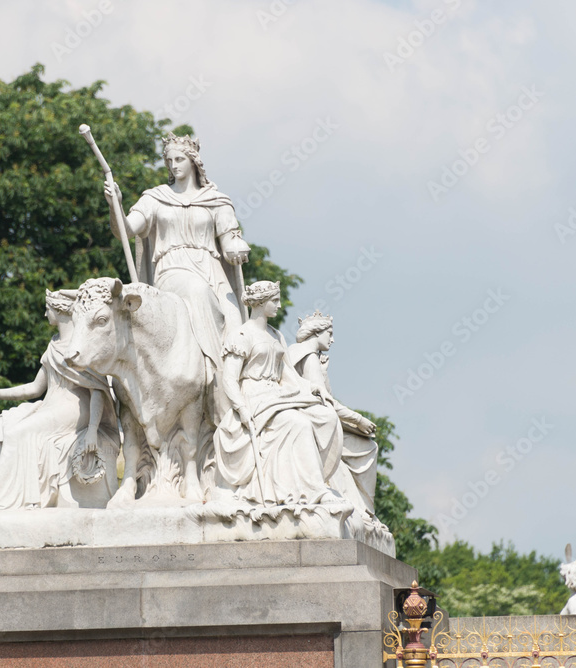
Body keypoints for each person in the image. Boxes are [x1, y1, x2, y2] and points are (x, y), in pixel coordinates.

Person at [103, 132, 250, 368]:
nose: (173, 165)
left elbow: (229, 240)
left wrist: (236, 248)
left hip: (212, 272)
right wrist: (115, 205)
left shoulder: (216, 200)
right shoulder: (155, 198)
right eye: (169, 161)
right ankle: (214, 370)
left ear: (193, 161)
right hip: (172, 269)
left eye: (179, 159)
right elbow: (125, 230)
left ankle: (238, 380)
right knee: (197, 290)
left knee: (236, 324)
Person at [0, 289, 120, 512]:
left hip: (75, 408)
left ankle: (1, 500)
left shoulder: (80, 346)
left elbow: (98, 391)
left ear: (60, 310)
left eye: (48, 309)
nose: (45, 314)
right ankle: (3, 494)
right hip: (51, 405)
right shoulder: (53, 345)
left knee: (19, 433)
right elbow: (35, 388)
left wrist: (92, 430)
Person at [212, 281, 342, 506]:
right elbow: (229, 379)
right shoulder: (241, 335)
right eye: (275, 300)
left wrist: (313, 388)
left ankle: (307, 481)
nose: (279, 305)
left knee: (326, 417)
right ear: (260, 303)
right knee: (299, 423)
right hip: (255, 397)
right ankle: (313, 490)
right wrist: (241, 408)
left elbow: (288, 375)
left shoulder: (276, 335)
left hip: (280, 395)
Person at [287, 311, 381, 519]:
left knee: (365, 444)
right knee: (367, 447)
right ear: (316, 333)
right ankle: (364, 511)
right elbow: (327, 402)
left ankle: (364, 510)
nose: (332, 339)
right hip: (317, 424)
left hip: (319, 420)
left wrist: (323, 372)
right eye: (329, 333)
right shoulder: (308, 357)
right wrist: (358, 420)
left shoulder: (305, 355)